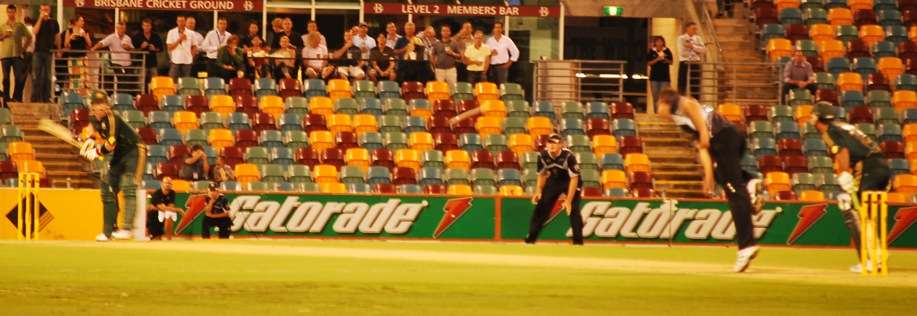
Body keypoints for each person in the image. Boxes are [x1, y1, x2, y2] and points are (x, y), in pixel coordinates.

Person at [656, 88, 764, 272]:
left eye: (659, 105)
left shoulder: (683, 104)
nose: (659, 111)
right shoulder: (681, 121)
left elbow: (697, 117)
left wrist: (704, 134)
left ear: (666, 101)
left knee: (734, 194)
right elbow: (704, 149)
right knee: (723, 175)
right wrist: (709, 177)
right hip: (729, 139)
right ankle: (750, 182)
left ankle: (746, 246)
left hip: (724, 137)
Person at [811, 102, 891, 273]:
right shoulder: (843, 126)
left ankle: (870, 259)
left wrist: (843, 173)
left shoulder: (829, 131)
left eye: (813, 115)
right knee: (867, 213)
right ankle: (877, 254)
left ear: (818, 117)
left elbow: (843, 152)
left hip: (867, 167)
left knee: (855, 211)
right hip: (880, 166)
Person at [79, 91, 146, 241]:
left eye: (103, 104)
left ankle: (127, 229)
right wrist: (89, 139)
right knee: (107, 188)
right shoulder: (93, 118)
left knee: (128, 186)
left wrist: (96, 152)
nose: (100, 108)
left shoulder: (112, 118)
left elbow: (110, 144)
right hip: (119, 154)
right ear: (92, 107)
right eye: (97, 105)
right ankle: (108, 231)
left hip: (134, 150)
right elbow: (94, 129)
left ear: (107, 106)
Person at [526, 134, 584, 246]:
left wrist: (568, 200)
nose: (552, 145)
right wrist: (538, 191)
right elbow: (542, 174)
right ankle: (530, 239)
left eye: (555, 143)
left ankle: (578, 242)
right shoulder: (542, 156)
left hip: (571, 181)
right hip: (555, 179)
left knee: (573, 210)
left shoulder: (568, 156)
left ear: (561, 145)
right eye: (549, 143)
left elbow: (574, 178)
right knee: (541, 207)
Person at [1, 5, 33, 102]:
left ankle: (16, 97)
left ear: (15, 12)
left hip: (17, 55)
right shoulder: (2, 26)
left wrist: (24, 48)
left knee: (18, 78)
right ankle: (6, 99)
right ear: (7, 12)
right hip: (5, 55)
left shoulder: (20, 25)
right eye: (9, 12)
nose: (11, 14)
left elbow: (29, 36)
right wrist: (4, 36)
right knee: (6, 78)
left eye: (12, 12)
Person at [90, 22, 134, 92]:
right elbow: (102, 43)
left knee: (127, 81)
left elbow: (132, 49)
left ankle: (124, 96)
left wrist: (127, 47)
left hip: (127, 63)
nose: (121, 30)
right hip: (117, 62)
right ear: (117, 28)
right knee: (122, 79)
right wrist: (94, 48)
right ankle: (120, 97)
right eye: (120, 28)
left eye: (123, 28)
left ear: (125, 29)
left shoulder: (127, 38)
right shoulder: (112, 37)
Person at [30, 3, 58, 103]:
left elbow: (57, 37)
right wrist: (41, 18)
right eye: (43, 10)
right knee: (36, 75)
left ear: (49, 10)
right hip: (38, 51)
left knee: (48, 76)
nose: (45, 12)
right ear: (40, 10)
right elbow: (34, 31)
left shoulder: (54, 22)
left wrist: (58, 49)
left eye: (46, 10)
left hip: (49, 51)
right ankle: (34, 98)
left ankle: (47, 98)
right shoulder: (36, 21)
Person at [677, 22, 706, 100]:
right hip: (684, 62)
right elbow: (682, 52)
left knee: (695, 84)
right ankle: (681, 103)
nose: (695, 30)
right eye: (693, 28)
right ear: (687, 29)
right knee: (682, 84)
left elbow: (703, 50)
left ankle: (695, 102)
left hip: (695, 62)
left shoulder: (698, 38)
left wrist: (692, 47)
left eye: (696, 29)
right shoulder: (681, 38)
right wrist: (695, 52)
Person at [132, 18, 163, 90]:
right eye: (145, 26)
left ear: (151, 26)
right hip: (141, 63)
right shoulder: (137, 36)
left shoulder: (156, 36)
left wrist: (154, 49)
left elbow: (161, 49)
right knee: (141, 81)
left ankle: (154, 95)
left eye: (148, 26)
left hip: (153, 62)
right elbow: (132, 50)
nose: (146, 27)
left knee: (154, 81)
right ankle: (140, 95)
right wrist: (141, 48)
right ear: (142, 26)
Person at [647, 36, 674, 113]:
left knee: (663, 97)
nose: (659, 43)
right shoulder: (651, 52)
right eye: (657, 41)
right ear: (655, 43)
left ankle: (663, 112)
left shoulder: (667, 50)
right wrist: (657, 59)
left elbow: (671, 62)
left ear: (663, 42)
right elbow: (649, 63)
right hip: (654, 78)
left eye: (661, 41)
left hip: (665, 78)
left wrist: (665, 59)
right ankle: (656, 113)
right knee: (655, 96)